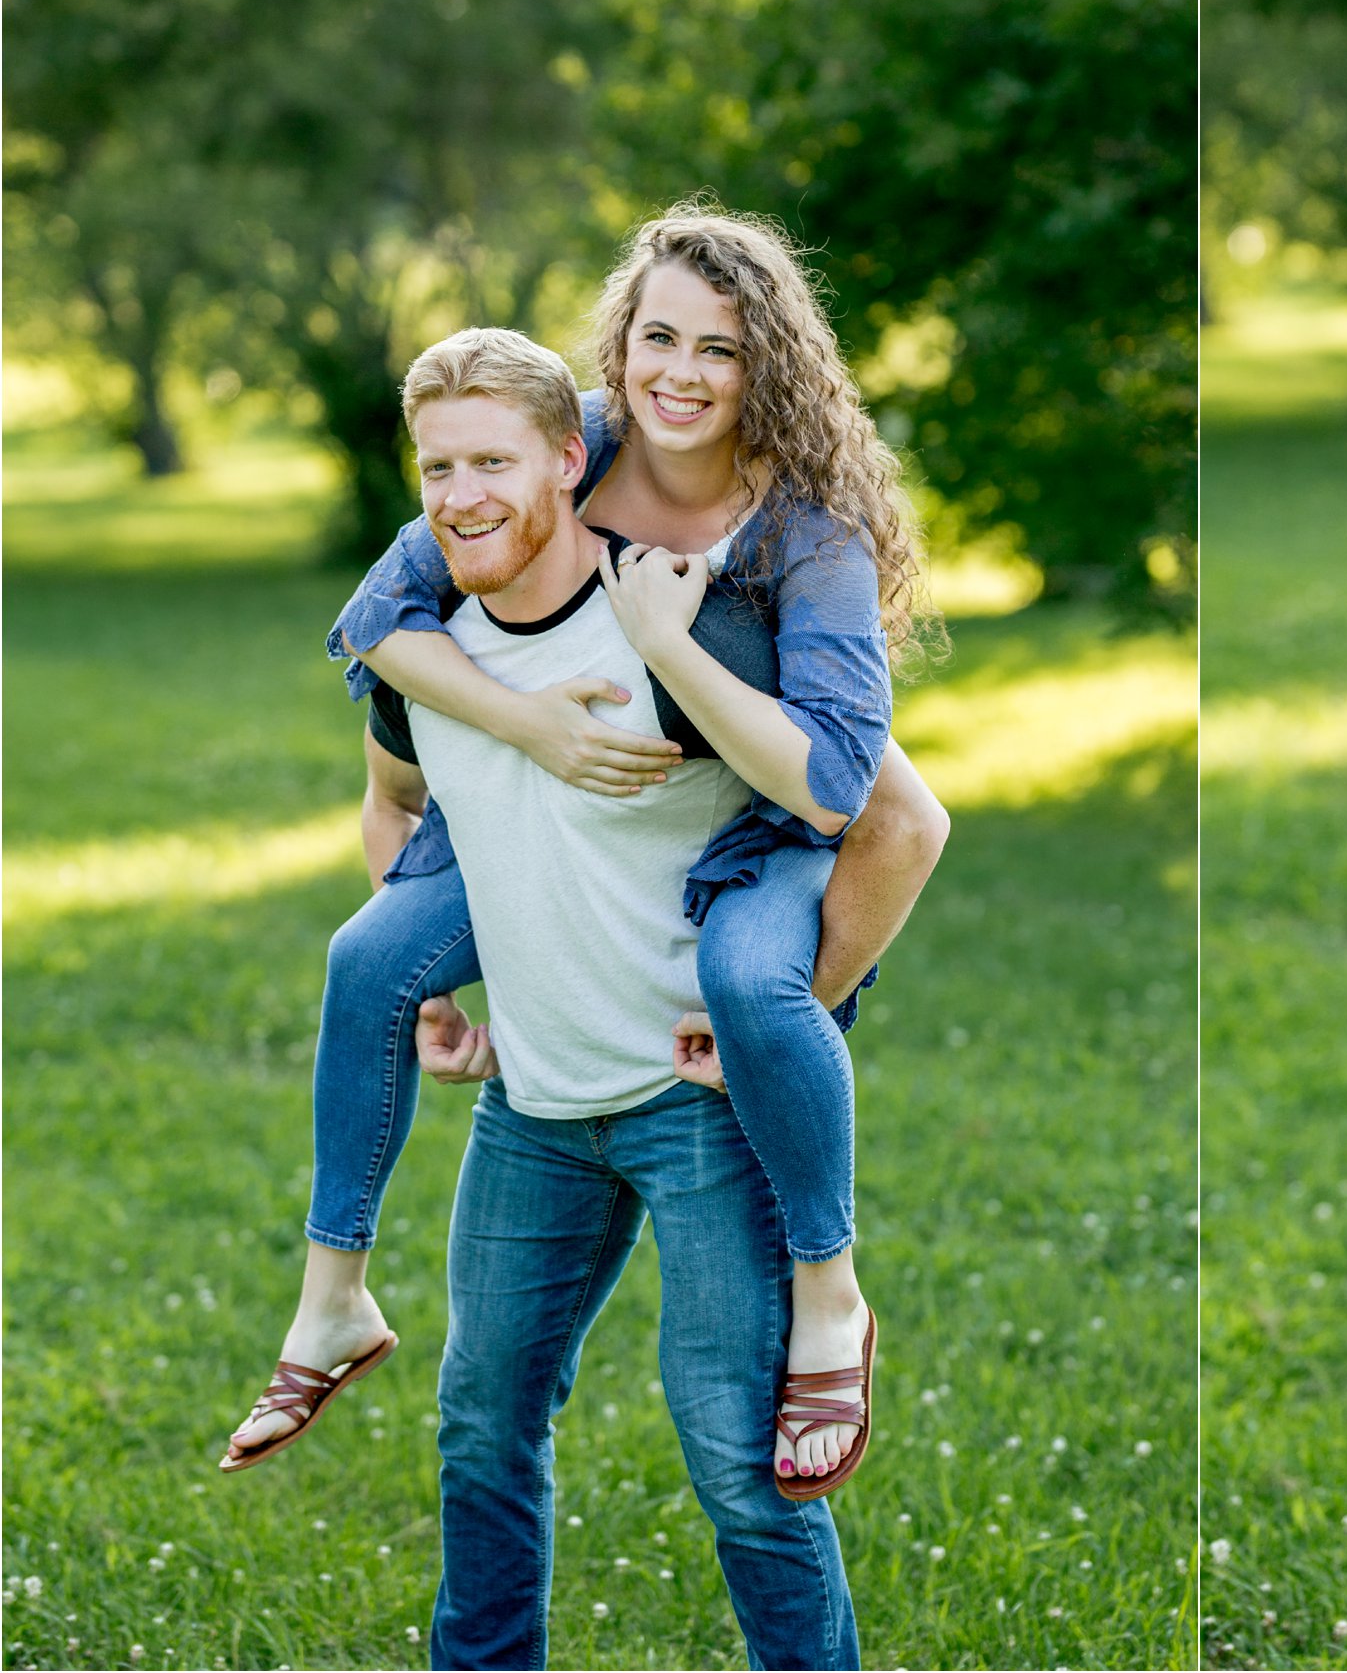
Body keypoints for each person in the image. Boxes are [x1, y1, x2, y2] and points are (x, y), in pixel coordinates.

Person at [220, 206, 947, 1503]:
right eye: (655, 335)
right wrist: (531, 725)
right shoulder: (582, 447)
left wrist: (667, 644)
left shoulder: (803, 537)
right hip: (558, 839)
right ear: (618, 348)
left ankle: (831, 1298)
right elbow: (373, 618)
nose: (679, 371)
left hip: (756, 837)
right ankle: (330, 1296)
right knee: (371, 952)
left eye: (717, 350)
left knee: (744, 979)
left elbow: (852, 797)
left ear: (765, 367)